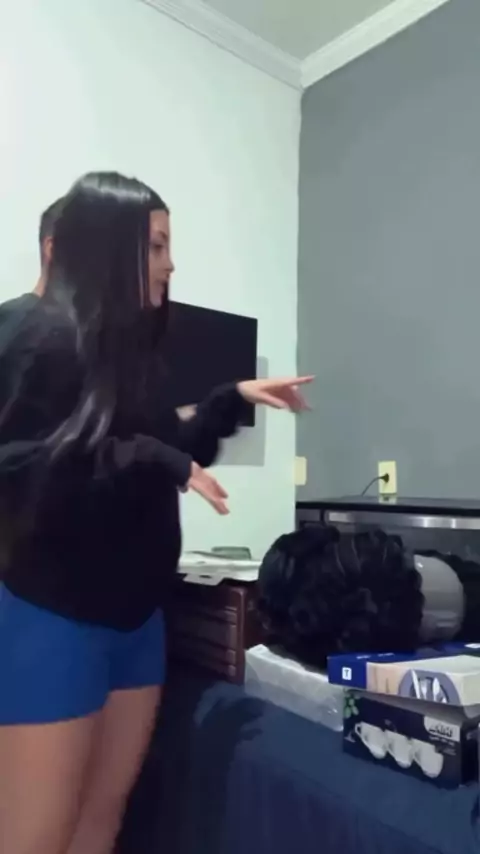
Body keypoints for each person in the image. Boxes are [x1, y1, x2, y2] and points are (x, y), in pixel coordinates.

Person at [0, 170, 312, 854]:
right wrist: (150, 454)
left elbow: (174, 451)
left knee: (102, 822)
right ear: (105, 245)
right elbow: (27, 465)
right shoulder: (32, 333)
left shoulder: (128, 357)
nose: (171, 264)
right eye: (156, 246)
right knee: (35, 838)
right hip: (54, 616)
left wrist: (230, 400)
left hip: (137, 619)